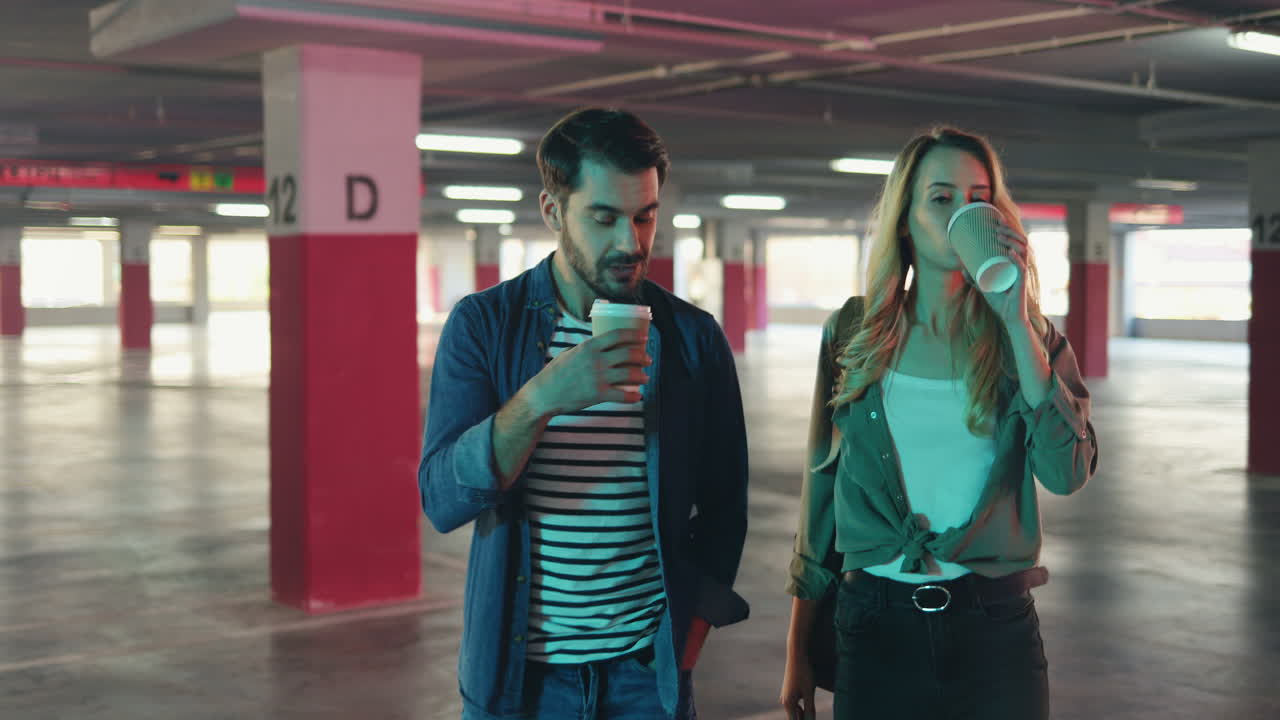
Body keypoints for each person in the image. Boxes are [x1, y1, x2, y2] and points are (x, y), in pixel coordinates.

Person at [418, 107, 750, 720]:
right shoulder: (486, 325)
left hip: (646, 676)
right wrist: (542, 398)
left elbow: (726, 503)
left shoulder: (693, 339)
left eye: (644, 216)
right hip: (521, 679)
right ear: (552, 211)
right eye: (604, 218)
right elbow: (441, 498)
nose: (630, 242)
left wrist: (688, 636)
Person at [779, 127, 1099, 720]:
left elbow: (1066, 472)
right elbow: (820, 496)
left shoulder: (1031, 339)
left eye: (979, 199)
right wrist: (797, 649)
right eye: (942, 198)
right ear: (906, 219)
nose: (963, 215)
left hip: (995, 630)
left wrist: (1015, 322)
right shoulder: (852, 334)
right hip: (873, 627)